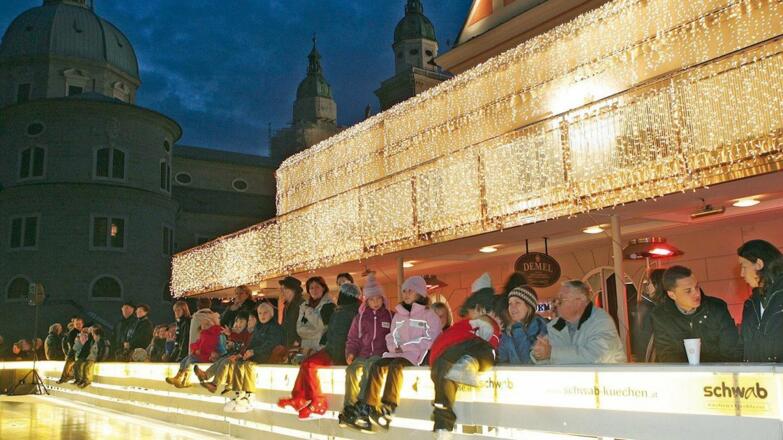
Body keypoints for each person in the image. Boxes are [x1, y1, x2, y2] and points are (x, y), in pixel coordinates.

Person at [351, 275, 441, 432]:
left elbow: (431, 339)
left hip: (416, 355)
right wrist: (393, 347)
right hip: (396, 353)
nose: (406, 294)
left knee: (396, 366)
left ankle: (388, 406)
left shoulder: (429, 315)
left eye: (410, 291)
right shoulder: (399, 314)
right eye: (404, 291)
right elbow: (391, 335)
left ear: (420, 293)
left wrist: (405, 347)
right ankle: (369, 405)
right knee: (378, 364)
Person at [429, 273, 502, 437]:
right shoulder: (479, 324)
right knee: (484, 351)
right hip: (456, 355)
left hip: (442, 359)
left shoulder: (468, 325)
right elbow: (491, 345)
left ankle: (443, 425)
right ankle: (468, 364)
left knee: (444, 380)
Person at [278, 282, 361, 420]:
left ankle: (317, 401)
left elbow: (347, 337)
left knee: (310, 365)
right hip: (331, 349)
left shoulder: (354, 311)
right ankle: (300, 397)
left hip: (342, 353)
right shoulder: (339, 310)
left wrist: (342, 356)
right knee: (308, 364)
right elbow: (329, 333)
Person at [650, 266, 742, 363]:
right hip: (684, 375)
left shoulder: (717, 308)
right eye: (688, 290)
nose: (696, 293)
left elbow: (731, 351)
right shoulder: (661, 316)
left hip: (717, 373)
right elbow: (666, 354)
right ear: (672, 295)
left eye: (697, 287)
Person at [338, 274, 392, 428]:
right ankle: (349, 407)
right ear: (366, 301)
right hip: (363, 353)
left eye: (378, 299)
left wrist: (392, 351)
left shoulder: (389, 316)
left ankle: (363, 405)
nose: (375, 303)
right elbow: (353, 338)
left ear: (383, 299)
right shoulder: (360, 318)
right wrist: (351, 352)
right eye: (371, 299)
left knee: (370, 368)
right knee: (352, 370)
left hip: (380, 355)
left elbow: (394, 336)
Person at [532, 280, 626, 364]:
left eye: (561, 300)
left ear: (579, 301)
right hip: (573, 382)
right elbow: (547, 356)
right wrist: (538, 355)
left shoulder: (601, 321)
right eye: (556, 300)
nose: (556, 303)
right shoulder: (556, 325)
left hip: (606, 381)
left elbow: (596, 356)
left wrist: (551, 353)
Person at [218, 302, 286, 413]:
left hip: (267, 355)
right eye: (260, 313)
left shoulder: (275, 328)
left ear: (271, 314)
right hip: (256, 354)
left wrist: (254, 351)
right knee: (239, 362)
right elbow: (251, 342)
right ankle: (239, 394)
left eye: (265, 313)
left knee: (248, 365)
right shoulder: (259, 327)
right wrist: (242, 353)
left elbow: (271, 344)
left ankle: (249, 396)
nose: (262, 315)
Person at [738, 240, 783, 362]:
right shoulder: (751, 304)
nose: (742, 274)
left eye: (744, 266)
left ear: (758, 264)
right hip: (760, 377)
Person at [166, 313, 224, 388]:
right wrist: (196, 349)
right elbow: (196, 344)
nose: (205, 326)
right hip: (200, 355)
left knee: (190, 360)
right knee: (185, 359)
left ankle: (185, 379)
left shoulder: (215, 334)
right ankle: (178, 376)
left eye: (208, 324)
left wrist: (202, 351)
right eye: (203, 324)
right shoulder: (203, 334)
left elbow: (211, 347)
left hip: (206, 356)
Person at [498, 286, 548, 364]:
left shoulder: (540, 328)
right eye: (510, 303)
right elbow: (500, 358)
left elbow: (525, 361)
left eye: (517, 302)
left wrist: (518, 328)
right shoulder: (508, 330)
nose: (512, 307)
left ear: (529, 306)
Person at [297, 276, 335, 355]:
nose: (314, 290)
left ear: (323, 288)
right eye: (311, 288)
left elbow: (322, 328)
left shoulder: (329, 305)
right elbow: (299, 329)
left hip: (320, 348)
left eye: (317, 287)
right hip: (306, 348)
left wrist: (309, 312)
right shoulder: (304, 306)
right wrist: (316, 332)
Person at [635, 268, 666, 362]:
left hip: (658, 362)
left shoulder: (653, 309)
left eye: (650, 283)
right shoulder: (650, 305)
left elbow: (644, 339)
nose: (647, 286)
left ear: (658, 285)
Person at [279, 276, 305, 349]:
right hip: (287, 344)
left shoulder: (302, 304)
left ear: (292, 290)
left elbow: (306, 325)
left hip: (297, 346)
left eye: (284, 289)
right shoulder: (286, 306)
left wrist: (298, 340)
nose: (282, 292)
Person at [57, 316, 84, 383]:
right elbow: (70, 345)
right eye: (76, 324)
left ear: (82, 324)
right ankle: (64, 378)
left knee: (74, 365)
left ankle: (70, 378)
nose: (78, 325)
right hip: (73, 352)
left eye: (79, 324)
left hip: (79, 353)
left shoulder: (84, 332)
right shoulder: (72, 333)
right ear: (74, 325)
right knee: (69, 363)